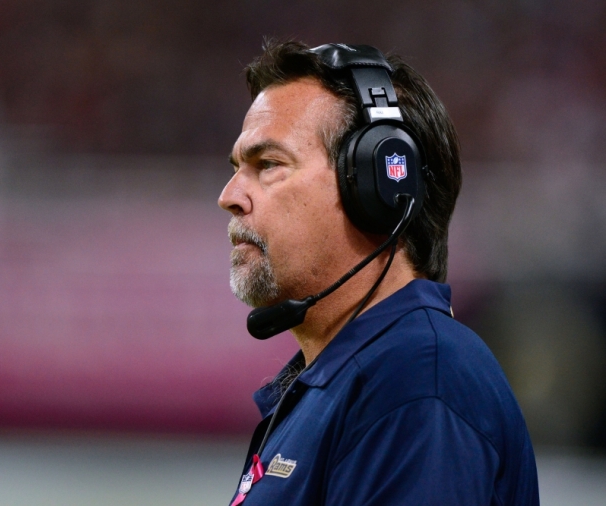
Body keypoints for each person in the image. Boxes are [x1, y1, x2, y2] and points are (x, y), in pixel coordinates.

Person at [218, 41, 539, 505]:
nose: (230, 195)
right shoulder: (353, 378)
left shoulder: (418, 383)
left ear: (378, 186)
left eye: (267, 165)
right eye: (236, 168)